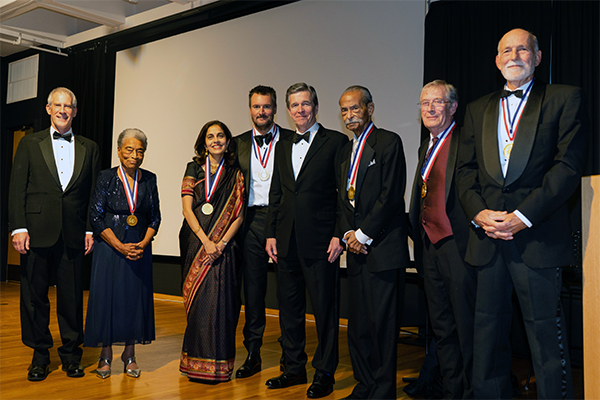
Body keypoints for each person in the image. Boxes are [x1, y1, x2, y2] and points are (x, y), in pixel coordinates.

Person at [455, 28, 588, 399]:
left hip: (537, 236)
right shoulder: (477, 108)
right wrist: (479, 212)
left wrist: (522, 216)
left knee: (546, 337)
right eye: (506, 51)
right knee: (487, 336)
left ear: (537, 57)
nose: (514, 56)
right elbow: (464, 171)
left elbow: (567, 167)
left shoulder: (565, 98)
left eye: (522, 49)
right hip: (487, 238)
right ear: (497, 61)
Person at [8, 87, 100, 381]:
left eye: (68, 106)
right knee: (34, 297)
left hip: (74, 232)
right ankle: (39, 356)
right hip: (35, 232)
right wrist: (18, 227)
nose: (63, 110)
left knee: (71, 298)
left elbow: (92, 194)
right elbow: (16, 188)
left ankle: (72, 356)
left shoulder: (91, 147)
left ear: (75, 111)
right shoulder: (29, 143)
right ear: (48, 109)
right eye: (57, 105)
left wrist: (89, 228)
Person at [265, 83, 347, 398]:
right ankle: (293, 368)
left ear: (315, 106)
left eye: (306, 103)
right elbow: (278, 191)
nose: (300, 109)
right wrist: (271, 232)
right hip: (285, 240)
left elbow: (344, 194)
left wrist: (339, 233)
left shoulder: (336, 142)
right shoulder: (283, 144)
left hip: (321, 241)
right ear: (288, 110)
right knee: (289, 309)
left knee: (325, 310)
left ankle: (325, 373)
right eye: (295, 105)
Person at [335, 85, 409, 399]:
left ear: (370, 108)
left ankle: (382, 391)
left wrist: (362, 235)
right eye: (344, 110)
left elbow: (391, 196)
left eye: (355, 108)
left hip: (382, 249)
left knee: (383, 327)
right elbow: (341, 200)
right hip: (356, 252)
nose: (349, 114)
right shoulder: (344, 151)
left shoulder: (389, 142)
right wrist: (347, 237)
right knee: (359, 327)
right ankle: (364, 385)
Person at [408, 80, 476, 399]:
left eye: (438, 102)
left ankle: (470, 391)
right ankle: (452, 391)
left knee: (466, 328)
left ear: (452, 107)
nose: (431, 109)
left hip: (458, 248)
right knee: (442, 328)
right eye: (425, 103)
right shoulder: (426, 146)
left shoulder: (466, 141)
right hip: (430, 248)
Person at [84, 128, 161, 379]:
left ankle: (129, 355)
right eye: (129, 149)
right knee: (106, 300)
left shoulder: (149, 179)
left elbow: (154, 217)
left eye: (140, 151)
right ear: (119, 151)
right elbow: (95, 217)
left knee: (134, 301)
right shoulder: (106, 177)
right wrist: (118, 245)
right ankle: (105, 356)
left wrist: (143, 243)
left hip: (139, 249)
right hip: (110, 248)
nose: (134, 155)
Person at [234, 85, 294, 378]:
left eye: (267, 106)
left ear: (275, 109)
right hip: (251, 223)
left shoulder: (294, 140)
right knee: (253, 293)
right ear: (250, 109)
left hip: (285, 221)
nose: (261, 112)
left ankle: (289, 355)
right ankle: (253, 354)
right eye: (256, 107)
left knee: (288, 292)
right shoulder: (237, 143)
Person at [179, 120, 244, 382]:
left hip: (225, 247)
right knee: (197, 305)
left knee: (223, 305)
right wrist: (206, 241)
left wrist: (222, 243)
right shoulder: (193, 168)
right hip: (196, 243)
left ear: (228, 142)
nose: (216, 140)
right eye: (210, 136)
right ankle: (194, 363)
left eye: (220, 136)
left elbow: (238, 214)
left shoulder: (236, 172)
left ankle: (219, 367)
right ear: (203, 142)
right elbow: (187, 209)